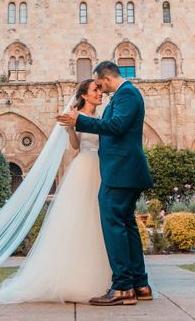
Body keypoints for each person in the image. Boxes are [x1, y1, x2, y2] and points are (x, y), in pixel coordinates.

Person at [0, 79, 111, 303]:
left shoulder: (102, 118)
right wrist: (71, 127)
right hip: (84, 167)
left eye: (100, 90)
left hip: (101, 168)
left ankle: (103, 278)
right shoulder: (76, 115)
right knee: (81, 219)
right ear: (84, 95)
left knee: (99, 222)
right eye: (95, 90)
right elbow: (75, 146)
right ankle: (77, 280)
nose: (100, 94)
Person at [56, 60, 154, 306]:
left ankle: (122, 287)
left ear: (107, 78)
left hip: (121, 171)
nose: (101, 89)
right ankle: (140, 284)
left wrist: (78, 120)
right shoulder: (123, 95)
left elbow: (116, 126)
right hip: (122, 170)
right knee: (126, 224)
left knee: (114, 224)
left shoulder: (127, 94)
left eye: (100, 84)